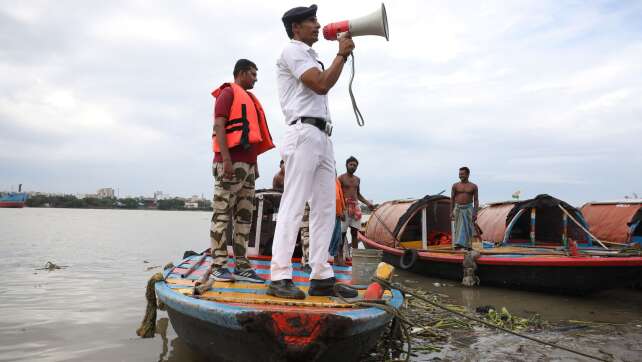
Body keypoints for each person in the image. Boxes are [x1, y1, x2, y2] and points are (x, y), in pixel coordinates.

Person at [268, 4, 357, 299]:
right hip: (304, 133)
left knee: (325, 208)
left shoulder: (311, 56)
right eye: (312, 21)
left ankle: (321, 275)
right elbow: (320, 85)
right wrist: (342, 54)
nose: (318, 25)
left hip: (321, 135)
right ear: (296, 28)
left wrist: (339, 57)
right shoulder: (292, 50)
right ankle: (279, 275)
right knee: (294, 204)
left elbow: (322, 84)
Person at [209, 59, 274, 283]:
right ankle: (218, 264)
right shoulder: (228, 94)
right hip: (229, 164)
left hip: (247, 167)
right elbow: (219, 126)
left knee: (245, 217)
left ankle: (242, 264)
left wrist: (254, 164)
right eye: (253, 74)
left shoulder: (250, 100)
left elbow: (252, 137)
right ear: (242, 73)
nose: (256, 78)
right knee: (222, 214)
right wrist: (226, 160)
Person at [339, 156, 375, 250]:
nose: (353, 167)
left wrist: (368, 203)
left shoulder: (357, 179)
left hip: (355, 208)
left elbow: (358, 194)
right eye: (351, 164)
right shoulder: (341, 178)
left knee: (354, 232)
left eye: (355, 165)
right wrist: (340, 211)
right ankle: (339, 257)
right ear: (346, 165)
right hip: (345, 208)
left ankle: (355, 255)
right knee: (342, 233)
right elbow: (338, 195)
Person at [450, 166, 479, 250]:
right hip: (458, 208)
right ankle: (458, 244)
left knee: (469, 227)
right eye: (459, 174)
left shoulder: (473, 186)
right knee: (458, 227)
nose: (460, 176)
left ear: (468, 174)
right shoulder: (455, 186)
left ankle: (468, 246)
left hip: (469, 208)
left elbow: (476, 200)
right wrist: (451, 211)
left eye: (462, 174)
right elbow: (452, 199)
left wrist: (475, 212)